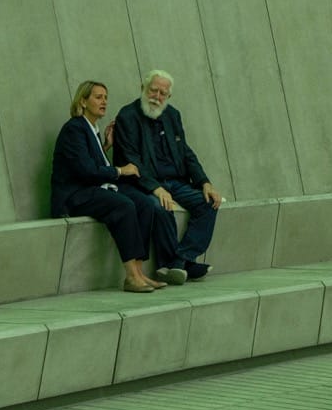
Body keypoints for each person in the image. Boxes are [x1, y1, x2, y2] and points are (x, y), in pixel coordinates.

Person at [49, 81, 187, 292]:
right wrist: (121, 170)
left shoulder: (91, 129)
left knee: (144, 203)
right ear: (83, 101)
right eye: (98, 97)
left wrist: (105, 145)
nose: (104, 101)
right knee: (123, 205)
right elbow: (85, 171)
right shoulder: (74, 129)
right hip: (73, 195)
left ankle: (140, 272)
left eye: (105, 97)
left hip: (91, 190)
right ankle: (131, 276)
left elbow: (91, 164)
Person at [113, 70, 223, 279]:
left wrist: (205, 182)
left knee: (209, 202)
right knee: (160, 206)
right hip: (143, 184)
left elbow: (186, 153)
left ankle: (180, 259)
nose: (157, 96)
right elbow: (130, 159)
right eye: (153, 90)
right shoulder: (127, 116)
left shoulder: (172, 115)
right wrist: (156, 188)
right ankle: (177, 265)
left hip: (176, 181)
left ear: (168, 96)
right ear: (143, 89)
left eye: (163, 93)